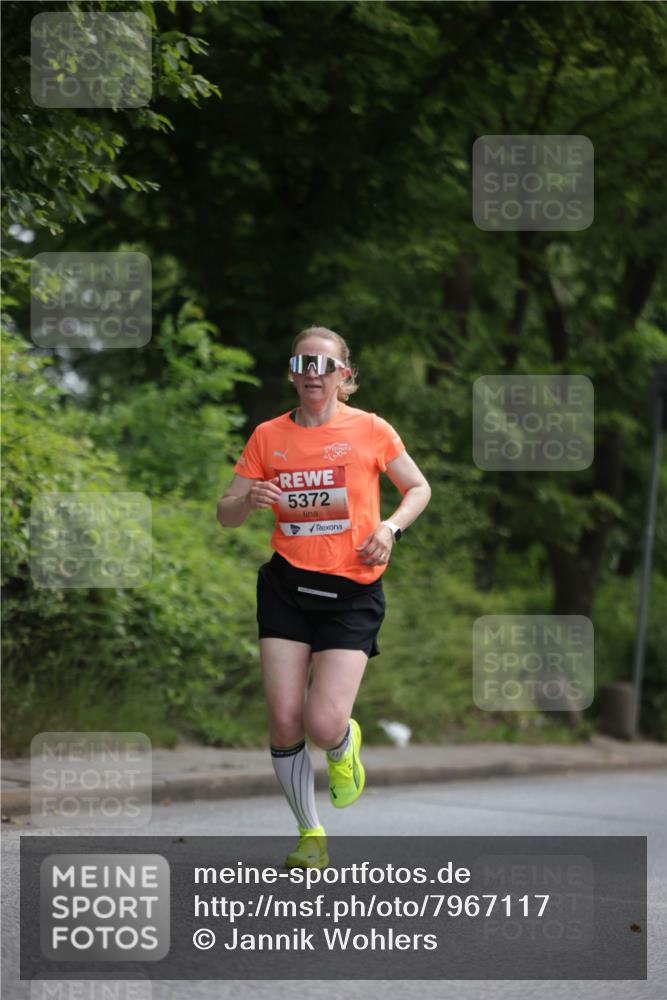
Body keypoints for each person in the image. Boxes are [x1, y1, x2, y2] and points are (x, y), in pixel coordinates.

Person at [216, 326, 431, 868]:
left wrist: (390, 529)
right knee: (285, 720)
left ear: (344, 376)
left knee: (322, 722)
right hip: (288, 588)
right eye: (303, 363)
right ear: (292, 372)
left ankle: (342, 745)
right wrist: (251, 498)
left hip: (352, 592)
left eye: (325, 365)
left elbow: (419, 488)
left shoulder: (371, 430)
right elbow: (226, 513)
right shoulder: (268, 436)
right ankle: (309, 833)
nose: (313, 373)